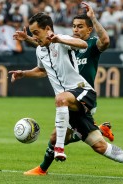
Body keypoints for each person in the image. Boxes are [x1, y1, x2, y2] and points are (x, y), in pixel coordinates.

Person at [10, 9, 123, 181]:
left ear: (48, 29)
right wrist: (24, 73)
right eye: (33, 34)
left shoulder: (63, 39)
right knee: (99, 146)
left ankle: (59, 149)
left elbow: (83, 44)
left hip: (83, 91)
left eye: (36, 32)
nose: (35, 36)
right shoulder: (40, 50)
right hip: (70, 103)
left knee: (60, 100)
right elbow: (41, 70)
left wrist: (59, 38)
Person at [15, 2, 114, 176]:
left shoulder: (90, 45)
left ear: (89, 30)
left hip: (83, 95)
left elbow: (105, 41)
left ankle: (43, 168)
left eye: (80, 26)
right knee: (58, 136)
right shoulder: (67, 43)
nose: (76, 30)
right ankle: (43, 168)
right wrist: (29, 39)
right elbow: (46, 46)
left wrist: (93, 18)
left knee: (59, 136)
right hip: (70, 96)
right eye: (74, 26)